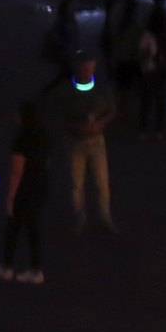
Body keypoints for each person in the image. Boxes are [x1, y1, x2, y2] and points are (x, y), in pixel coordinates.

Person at [53, 55, 119, 233]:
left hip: (97, 142)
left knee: (102, 182)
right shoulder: (66, 90)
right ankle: (79, 216)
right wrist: (76, 126)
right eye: (83, 68)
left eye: (89, 68)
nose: (86, 72)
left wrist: (101, 123)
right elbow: (57, 116)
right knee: (76, 183)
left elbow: (112, 110)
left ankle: (105, 216)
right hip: (74, 142)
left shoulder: (102, 89)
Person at [0, 92, 52, 283]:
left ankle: (7, 266)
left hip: (24, 189)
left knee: (12, 228)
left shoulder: (21, 139)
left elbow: (17, 171)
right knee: (33, 229)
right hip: (39, 185)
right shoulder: (43, 135)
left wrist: (10, 197)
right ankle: (36, 269)